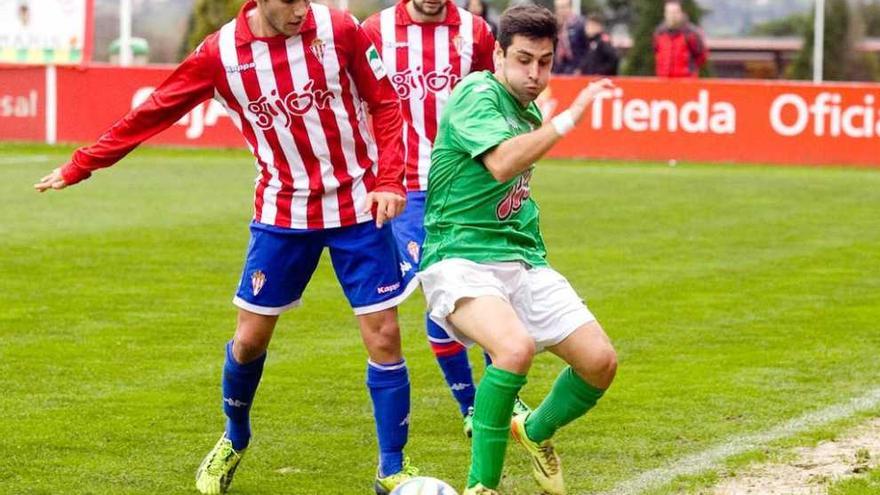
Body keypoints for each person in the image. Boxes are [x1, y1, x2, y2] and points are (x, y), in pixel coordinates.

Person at [34, 1, 421, 494]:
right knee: (249, 340)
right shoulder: (221, 55)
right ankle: (235, 437)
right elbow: (156, 110)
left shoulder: (340, 30)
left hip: (358, 206)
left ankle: (391, 468)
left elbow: (386, 103)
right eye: (289, 2)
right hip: (283, 213)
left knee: (384, 334)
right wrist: (83, 163)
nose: (302, 10)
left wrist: (389, 179)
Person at [418, 4, 618, 494]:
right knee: (513, 350)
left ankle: (534, 431)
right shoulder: (476, 93)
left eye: (545, 62)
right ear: (499, 55)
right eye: (524, 59)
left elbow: (512, 192)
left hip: (519, 258)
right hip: (459, 256)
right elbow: (503, 164)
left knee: (599, 362)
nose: (535, 73)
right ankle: (481, 486)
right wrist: (568, 119)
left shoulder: (525, 109)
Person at [363, 0, 512, 439]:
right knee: (439, 288)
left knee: (485, 284)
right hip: (407, 184)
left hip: (465, 182)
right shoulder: (376, 30)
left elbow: (496, 93)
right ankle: (471, 406)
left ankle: (504, 397)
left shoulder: (475, 31)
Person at [653, 0, 708, 78]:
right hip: (664, 81)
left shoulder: (691, 33)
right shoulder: (659, 33)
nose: (672, 15)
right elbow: (656, 53)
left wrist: (690, 70)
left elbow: (701, 56)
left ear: (681, 13)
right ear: (665, 14)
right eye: (669, 12)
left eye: (675, 12)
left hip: (686, 81)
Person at [551, 0, 585, 75]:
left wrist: (580, 67)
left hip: (575, 65)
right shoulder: (554, 24)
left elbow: (585, 48)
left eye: (563, 7)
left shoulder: (579, 23)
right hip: (558, 66)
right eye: (558, 8)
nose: (560, 10)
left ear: (569, 7)